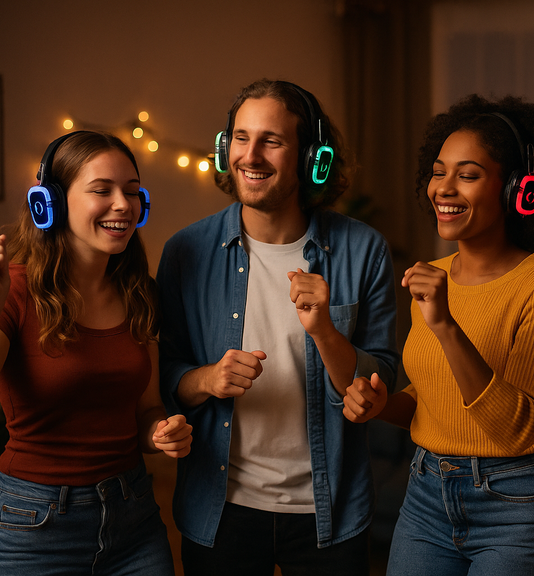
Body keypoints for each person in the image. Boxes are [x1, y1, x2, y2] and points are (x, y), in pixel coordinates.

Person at [157, 79, 399, 575]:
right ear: (226, 151)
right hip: (220, 510)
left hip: (329, 513)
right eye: (241, 139)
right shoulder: (186, 251)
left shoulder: (364, 249)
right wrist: (207, 379)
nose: (252, 155)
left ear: (314, 159)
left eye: (272, 140)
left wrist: (326, 332)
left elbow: (384, 375)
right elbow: (163, 376)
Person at [344, 94, 534, 575]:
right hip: (426, 493)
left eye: (469, 174)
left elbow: (519, 428)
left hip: (516, 505)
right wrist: (381, 406)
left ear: (519, 190)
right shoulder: (432, 275)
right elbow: (431, 400)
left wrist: (445, 325)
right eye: (439, 172)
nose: (444, 188)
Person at [0, 130, 193, 575]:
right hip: (33, 524)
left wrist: (161, 431)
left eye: (133, 193)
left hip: (133, 515)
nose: (124, 204)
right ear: (50, 204)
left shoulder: (141, 292)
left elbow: (147, 408)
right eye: (102, 190)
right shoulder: (14, 290)